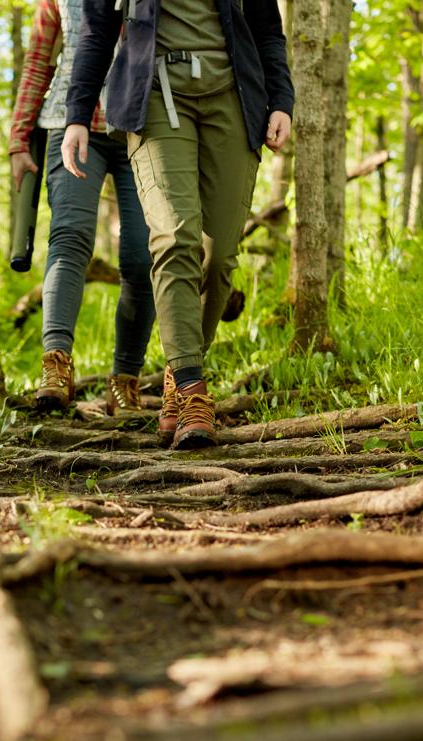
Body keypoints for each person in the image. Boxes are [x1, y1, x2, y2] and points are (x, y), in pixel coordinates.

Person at [63, 0, 293, 448]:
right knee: (175, 237)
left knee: (220, 254)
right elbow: (96, 31)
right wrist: (77, 114)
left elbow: (268, 30)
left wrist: (282, 100)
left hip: (234, 94)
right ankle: (191, 389)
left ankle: (177, 376)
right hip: (153, 95)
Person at [10, 0, 157, 415]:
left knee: (141, 254)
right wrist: (19, 140)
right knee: (70, 236)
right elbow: (38, 61)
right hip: (69, 122)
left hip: (141, 124)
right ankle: (55, 367)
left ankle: (125, 381)